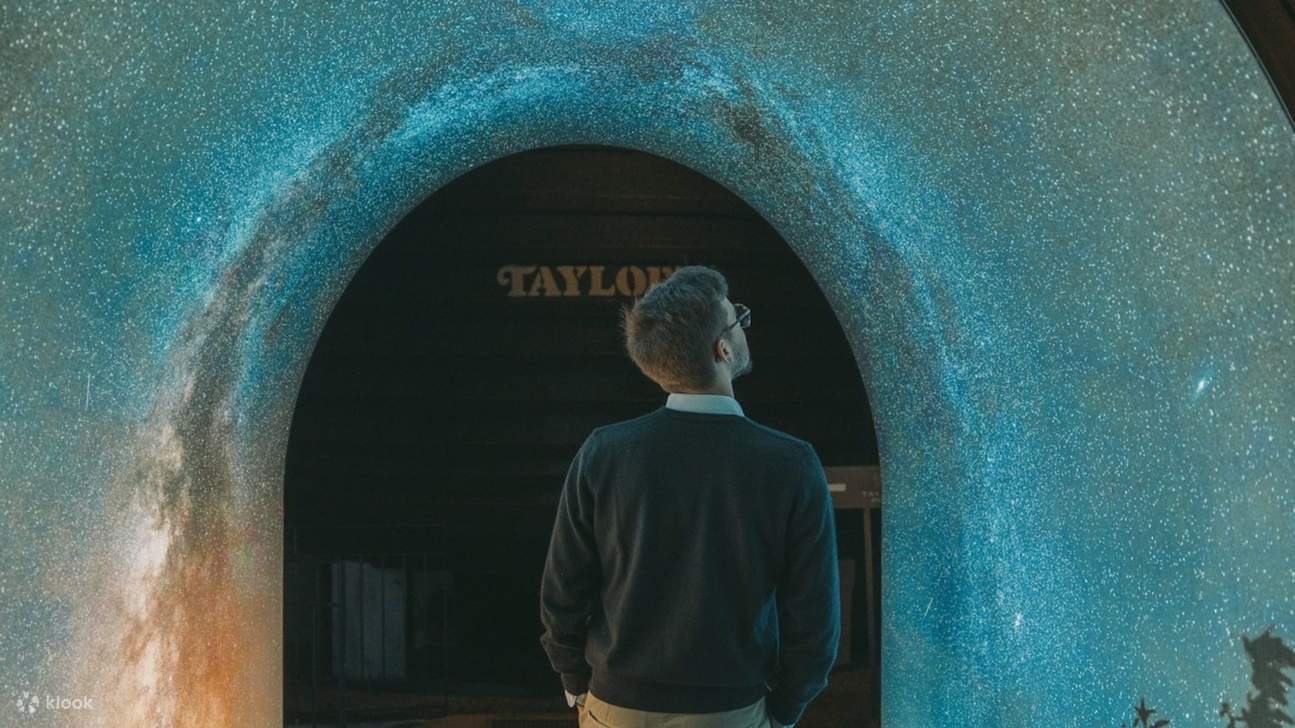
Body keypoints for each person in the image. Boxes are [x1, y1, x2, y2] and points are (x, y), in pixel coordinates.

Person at [539, 265, 841, 728]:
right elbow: (814, 620)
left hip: (615, 705)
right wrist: (783, 709)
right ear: (722, 349)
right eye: (735, 318)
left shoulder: (604, 452)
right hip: (733, 709)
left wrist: (575, 678)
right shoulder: (791, 463)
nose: (742, 324)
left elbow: (563, 589)